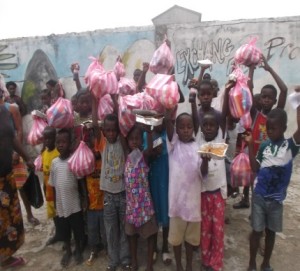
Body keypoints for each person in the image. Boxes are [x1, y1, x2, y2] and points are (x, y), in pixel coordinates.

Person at [245, 99, 300, 271]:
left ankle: (266, 263)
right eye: (267, 128)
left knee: (271, 233)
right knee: (256, 231)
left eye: (273, 128)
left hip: (276, 201)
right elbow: (255, 168)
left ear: (284, 128)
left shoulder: (290, 146)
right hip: (259, 197)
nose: (269, 132)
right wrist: (249, 147)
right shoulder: (264, 146)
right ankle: (252, 262)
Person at [233, 56, 288, 209]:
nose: (266, 100)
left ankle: (260, 211)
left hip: (268, 158)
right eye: (263, 97)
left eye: (270, 98)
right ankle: (246, 201)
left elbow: (284, 90)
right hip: (254, 154)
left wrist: (269, 68)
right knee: (250, 181)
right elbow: (249, 90)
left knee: (261, 186)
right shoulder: (256, 113)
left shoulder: (276, 116)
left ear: (275, 101)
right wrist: (251, 68)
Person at [0, 87, 34, 269]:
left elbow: (11, 137)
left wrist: (26, 156)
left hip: (6, 173)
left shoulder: (4, 111)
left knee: (10, 217)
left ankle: (6, 257)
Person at [165, 110, 203, 271]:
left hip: (194, 204)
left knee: (191, 240)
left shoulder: (198, 147)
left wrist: (207, 160)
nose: (186, 130)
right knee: (176, 240)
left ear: (194, 128)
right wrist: (167, 108)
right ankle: (179, 265)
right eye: (182, 127)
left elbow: (203, 172)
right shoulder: (173, 144)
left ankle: (188, 265)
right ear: (176, 129)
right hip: (177, 204)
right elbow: (167, 123)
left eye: (189, 127)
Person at [96, 112, 131, 271]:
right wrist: (94, 96)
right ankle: (113, 260)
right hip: (108, 196)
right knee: (111, 230)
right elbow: (97, 126)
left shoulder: (123, 144)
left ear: (118, 131)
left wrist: (117, 102)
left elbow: (123, 125)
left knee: (124, 229)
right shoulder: (102, 144)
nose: (111, 133)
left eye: (114, 130)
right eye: (107, 130)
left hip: (123, 194)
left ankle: (124, 259)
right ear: (103, 130)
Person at [48, 128, 85, 267]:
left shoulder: (74, 161)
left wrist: (85, 198)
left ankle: (78, 250)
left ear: (70, 143)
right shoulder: (54, 163)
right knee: (64, 231)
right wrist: (56, 203)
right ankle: (68, 251)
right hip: (61, 205)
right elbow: (53, 184)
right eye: (58, 142)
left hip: (75, 204)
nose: (60, 145)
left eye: (64, 142)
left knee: (77, 229)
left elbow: (81, 181)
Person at [124, 125, 158, 271]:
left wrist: (149, 132)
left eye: (137, 139)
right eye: (131, 139)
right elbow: (121, 135)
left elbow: (150, 149)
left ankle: (149, 264)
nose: (134, 142)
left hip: (145, 206)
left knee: (151, 234)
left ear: (141, 140)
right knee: (131, 235)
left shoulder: (143, 156)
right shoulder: (127, 156)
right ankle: (134, 261)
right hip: (131, 207)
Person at [199, 112, 228, 271]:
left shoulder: (220, 142)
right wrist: (204, 160)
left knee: (217, 231)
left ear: (218, 127)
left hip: (218, 195)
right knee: (205, 229)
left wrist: (230, 90)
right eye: (205, 125)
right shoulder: (199, 143)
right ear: (201, 128)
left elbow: (224, 117)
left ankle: (216, 262)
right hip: (204, 194)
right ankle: (205, 259)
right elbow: (202, 174)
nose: (209, 128)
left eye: (213, 125)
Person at [146, 122, 172, 265]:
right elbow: (144, 158)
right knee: (154, 214)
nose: (158, 123)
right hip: (152, 181)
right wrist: (152, 153)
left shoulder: (168, 135)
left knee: (166, 212)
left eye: (162, 119)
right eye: (154, 119)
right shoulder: (147, 135)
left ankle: (165, 247)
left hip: (167, 180)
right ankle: (154, 247)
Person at [41, 126, 60, 245]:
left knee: (61, 214)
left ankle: (64, 235)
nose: (47, 141)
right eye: (45, 139)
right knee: (53, 214)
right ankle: (58, 234)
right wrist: (44, 188)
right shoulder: (44, 154)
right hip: (48, 190)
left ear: (55, 139)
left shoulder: (58, 153)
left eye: (50, 139)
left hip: (58, 191)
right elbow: (44, 173)